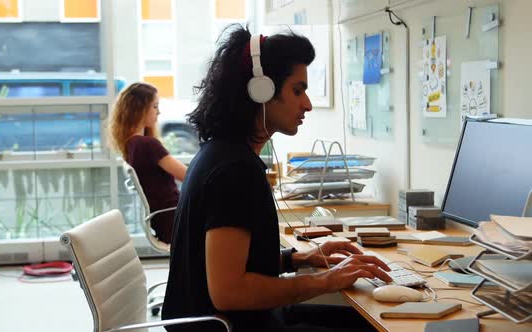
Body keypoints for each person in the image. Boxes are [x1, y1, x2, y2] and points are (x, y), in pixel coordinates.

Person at [162, 25, 392, 332]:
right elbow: (228, 292)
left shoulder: (222, 152)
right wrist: (325, 280)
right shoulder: (234, 170)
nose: (307, 104)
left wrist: (297, 259)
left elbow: (230, 264)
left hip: (236, 322)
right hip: (229, 327)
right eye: (297, 90)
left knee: (367, 323)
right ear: (262, 91)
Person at [107, 82, 187, 244]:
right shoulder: (147, 145)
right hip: (176, 222)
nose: (159, 112)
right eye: (155, 107)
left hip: (166, 221)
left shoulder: (131, 144)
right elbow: (189, 176)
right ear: (139, 109)